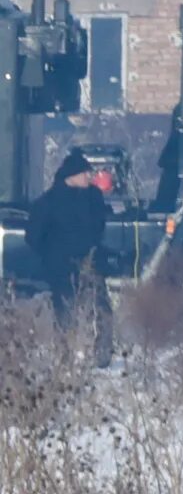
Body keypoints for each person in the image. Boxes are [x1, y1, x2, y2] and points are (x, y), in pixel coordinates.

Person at [26, 149, 113, 367]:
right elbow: (33, 235)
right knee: (64, 311)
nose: (88, 177)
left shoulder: (94, 197)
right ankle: (64, 356)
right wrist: (52, 255)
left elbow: (99, 225)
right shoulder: (48, 202)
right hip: (62, 266)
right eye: (85, 173)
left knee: (102, 307)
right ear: (71, 176)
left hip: (90, 262)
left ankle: (103, 355)